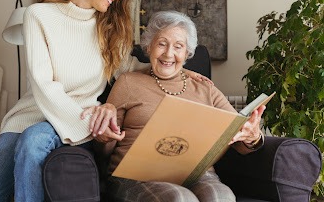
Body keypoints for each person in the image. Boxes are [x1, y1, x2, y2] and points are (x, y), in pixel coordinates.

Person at [0, 0, 209, 202]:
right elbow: (43, 83)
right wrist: (86, 122)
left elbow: (126, 67)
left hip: (72, 121)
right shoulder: (39, 15)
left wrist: (178, 71)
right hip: (35, 116)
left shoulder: (108, 27)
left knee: (34, 140)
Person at [86, 10, 265, 202]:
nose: (168, 54)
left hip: (195, 174)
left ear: (187, 53)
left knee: (221, 196)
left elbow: (238, 136)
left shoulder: (206, 89)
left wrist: (253, 136)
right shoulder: (128, 83)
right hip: (137, 176)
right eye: (161, 44)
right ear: (149, 47)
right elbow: (103, 148)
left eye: (178, 46)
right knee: (179, 198)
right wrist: (103, 138)